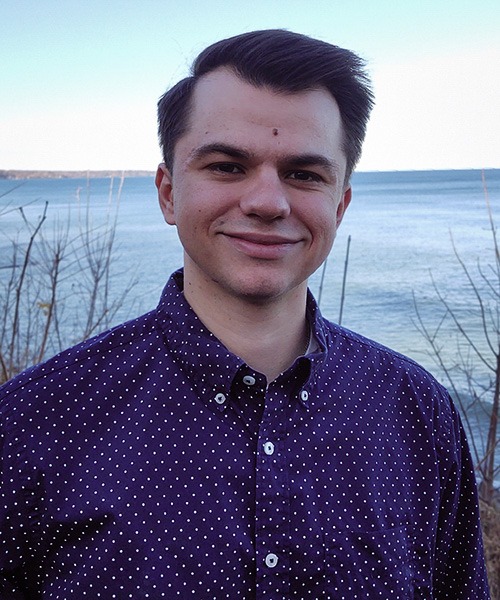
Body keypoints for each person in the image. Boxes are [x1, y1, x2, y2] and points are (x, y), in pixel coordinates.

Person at [0, 29, 489, 599]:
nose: (267, 201)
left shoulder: (415, 412)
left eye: (304, 174)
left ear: (341, 202)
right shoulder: (36, 422)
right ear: (167, 193)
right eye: (227, 166)